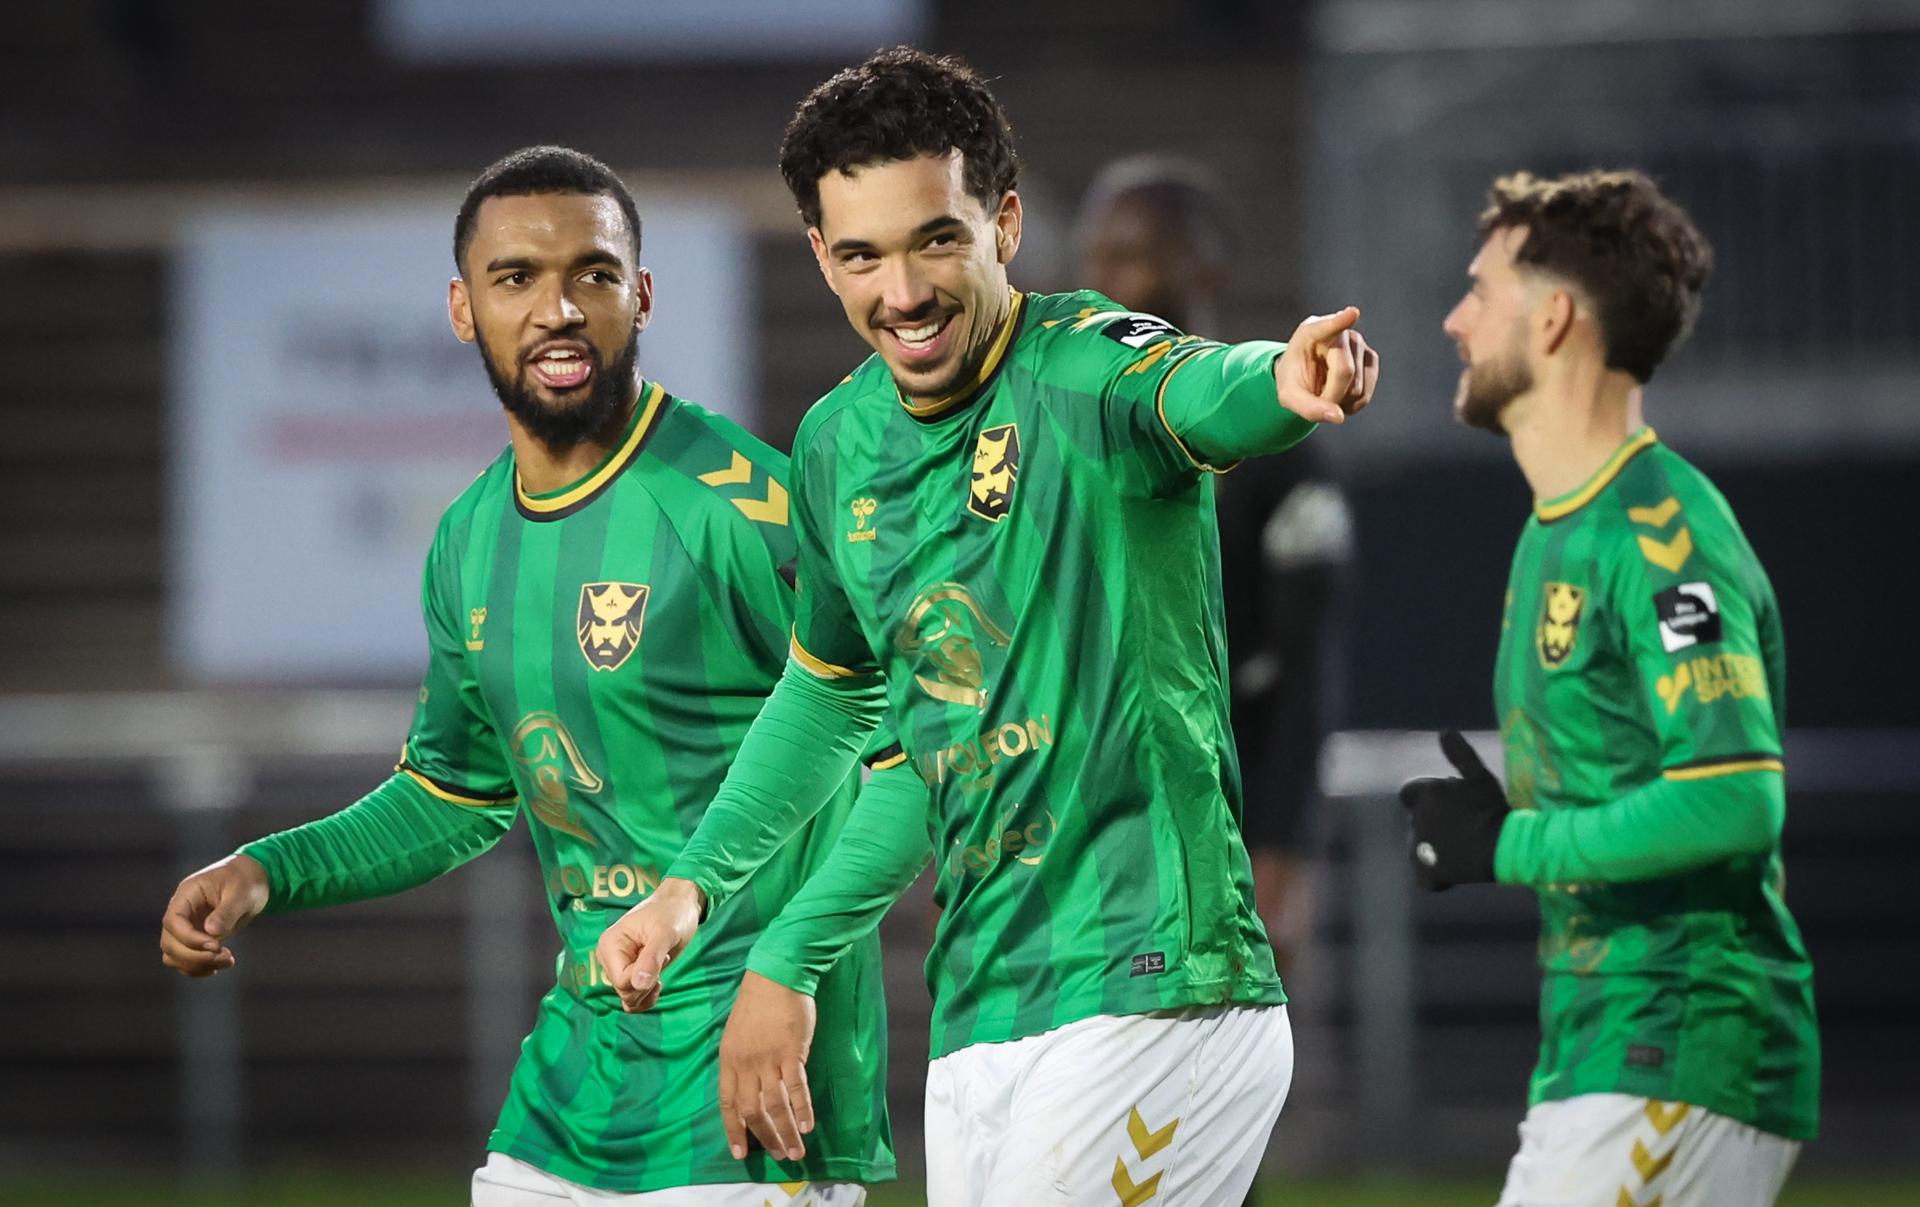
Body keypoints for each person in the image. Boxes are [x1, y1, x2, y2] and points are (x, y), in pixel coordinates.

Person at [595, 48, 1379, 1207]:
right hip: (981, 1009)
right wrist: (694, 885)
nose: (900, 292)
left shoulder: (1085, 364)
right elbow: (832, 690)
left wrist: (1288, 375)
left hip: (1155, 982)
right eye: (860, 254)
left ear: (1004, 224)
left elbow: (1202, 386)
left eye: (935, 242)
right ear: (819, 254)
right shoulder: (835, 445)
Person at [156, 145, 915, 1206]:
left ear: (640, 294)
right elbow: (452, 792)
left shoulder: (747, 511)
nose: (559, 307)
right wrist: (264, 868)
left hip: (749, 1096)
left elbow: (907, 762)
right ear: (464, 310)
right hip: (569, 1096)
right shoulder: (467, 538)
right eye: (517, 278)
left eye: (593, 275)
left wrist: (789, 969)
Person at [1399, 168, 1817, 1207]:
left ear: (1551, 320)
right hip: (1604, 1037)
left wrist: (1511, 844)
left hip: (1683, 1029)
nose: (1455, 320)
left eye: (1480, 291)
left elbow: (1735, 797)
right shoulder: (1561, 528)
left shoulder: (1659, 534)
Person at [1077, 154, 1353, 977]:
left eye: (1131, 256)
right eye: (1097, 257)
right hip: (1088, 821)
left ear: (1207, 267)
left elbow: (1306, 668)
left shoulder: (1275, 439)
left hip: (1219, 819)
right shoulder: (1058, 428)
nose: (1103, 280)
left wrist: (1281, 849)